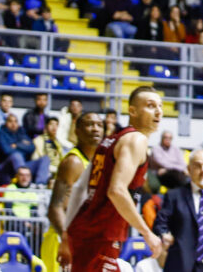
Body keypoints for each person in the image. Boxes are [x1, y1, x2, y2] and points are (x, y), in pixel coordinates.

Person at [62, 87, 165, 271]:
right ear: (132, 111)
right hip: (100, 233)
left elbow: (79, 189)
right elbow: (116, 190)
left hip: (85, 230)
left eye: (160, 106)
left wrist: (66, 233)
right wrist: (147, 233)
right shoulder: (136, 140)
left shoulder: (110, 140)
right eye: (150, 106)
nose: (158, 111)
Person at [42, 112, 104, 272]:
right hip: (62, 240)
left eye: (99, 125)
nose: (96, 129)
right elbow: (55, 208)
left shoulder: (97, 164)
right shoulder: (73, 162)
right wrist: (67, 241)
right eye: (90, 124)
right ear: (76, 131)